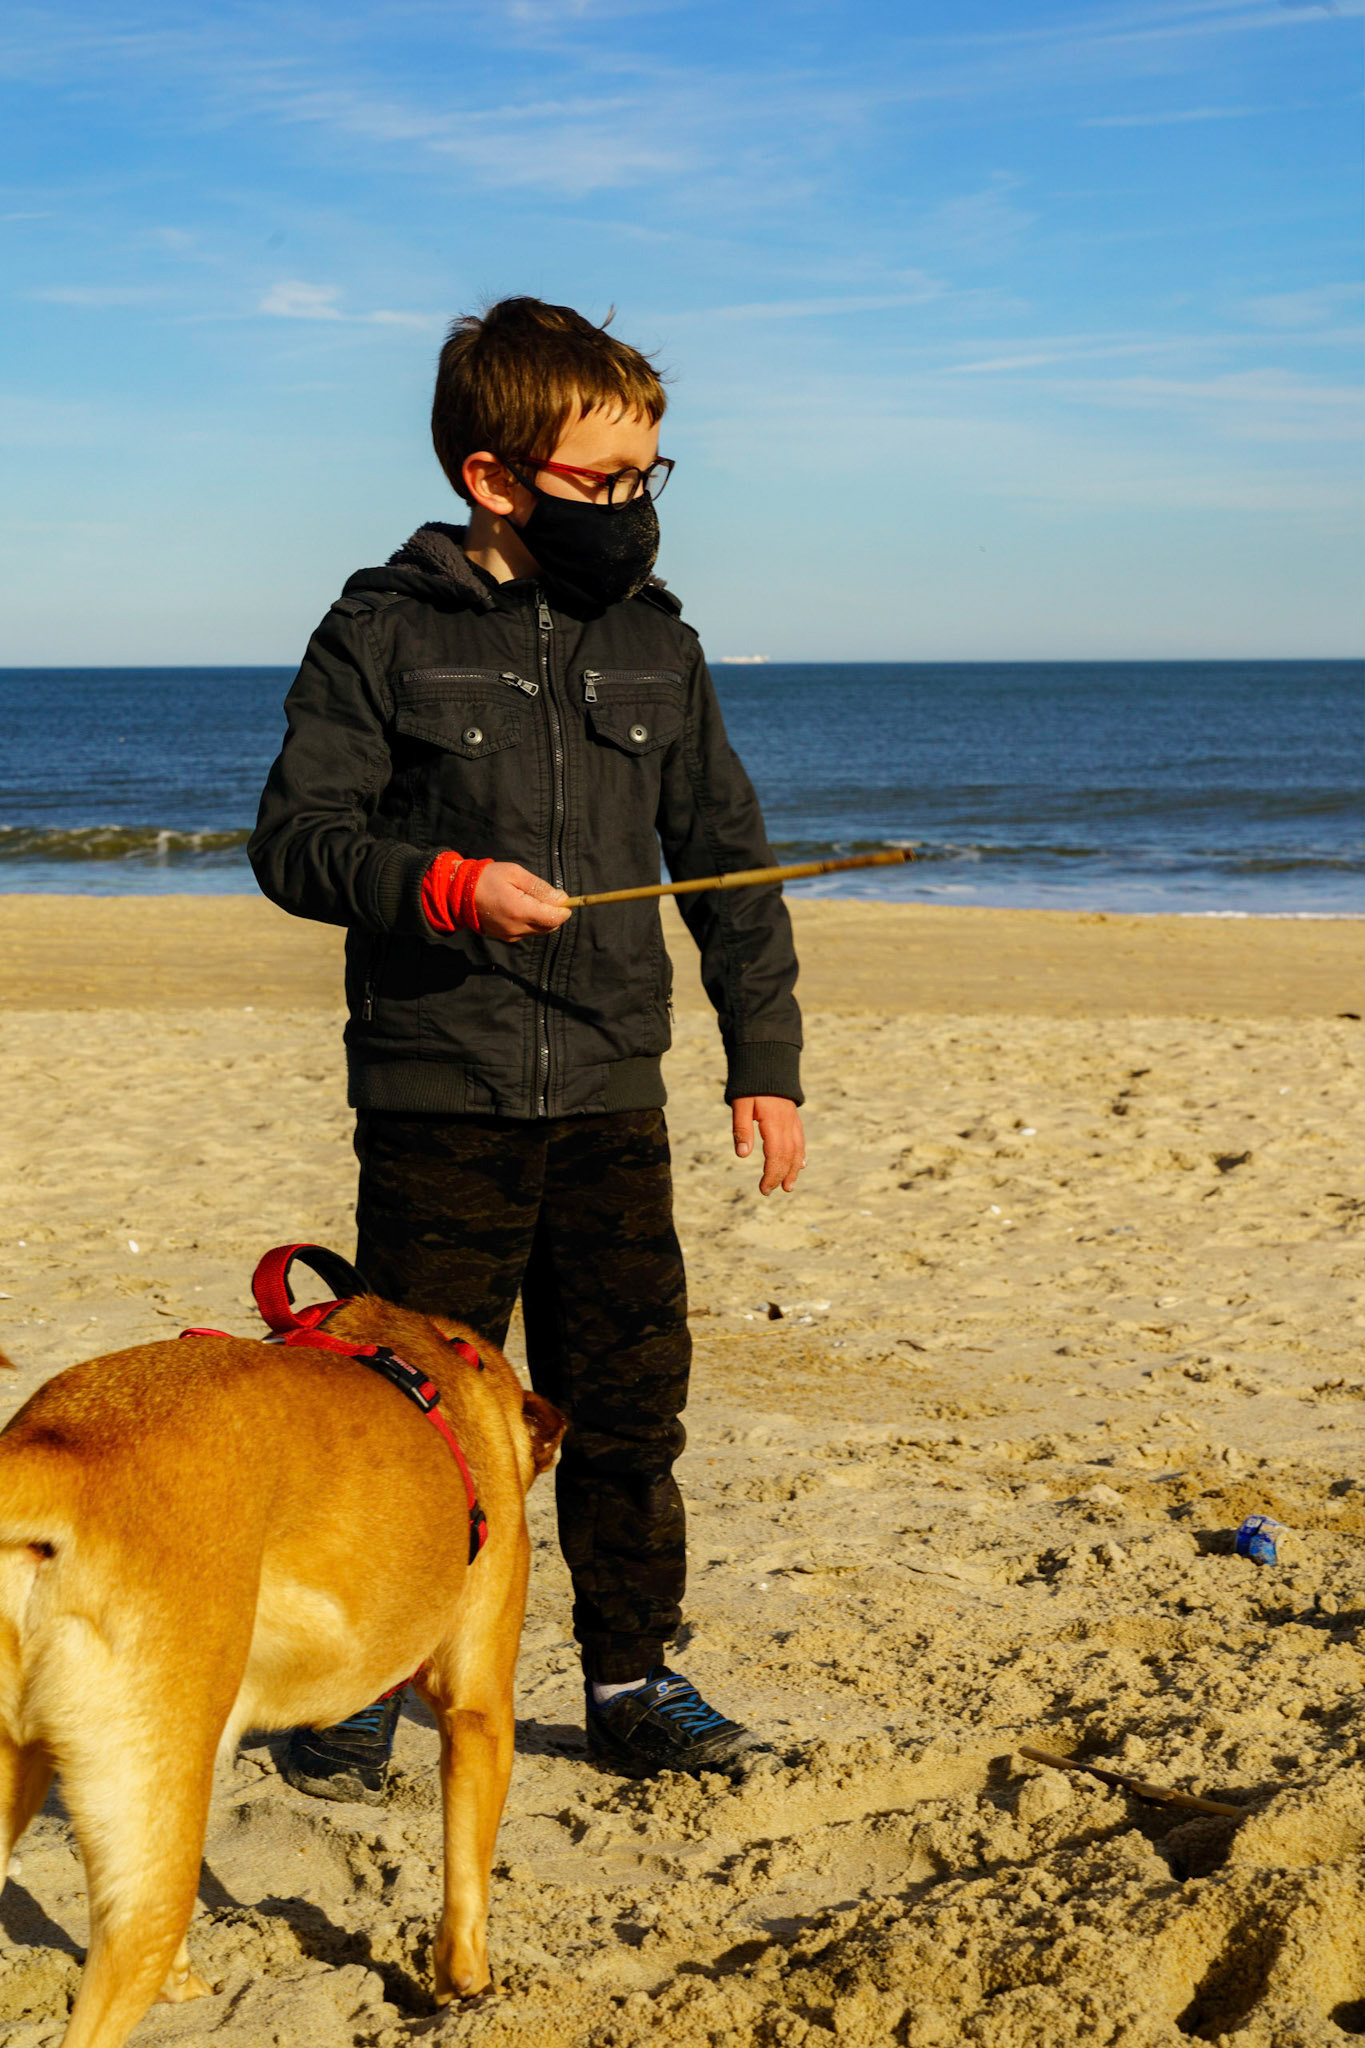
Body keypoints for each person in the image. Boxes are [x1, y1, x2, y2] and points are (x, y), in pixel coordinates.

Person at [249, 296, 804, 1799]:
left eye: (648, 478)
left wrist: (766, 1061)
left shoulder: (656, 645)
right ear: (496, 477)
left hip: (613, 1090)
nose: (631, 511)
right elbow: (295, 844)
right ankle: (365, 1679)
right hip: (441, 1091)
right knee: (412, 1413)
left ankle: (631, 1674)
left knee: (626, 1406)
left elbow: (727, 864)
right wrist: (444, 886)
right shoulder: (380, 629)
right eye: (600, 482)